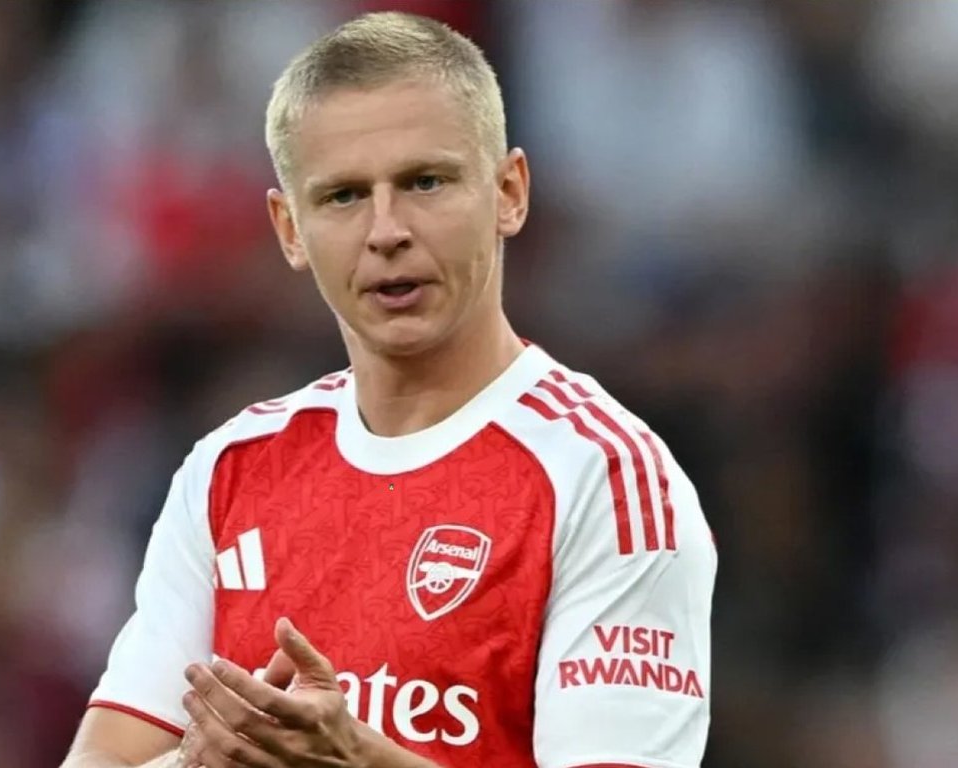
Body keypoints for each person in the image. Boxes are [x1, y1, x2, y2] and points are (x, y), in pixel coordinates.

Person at [62, 11, 715, 768]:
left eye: (424, 182)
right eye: (343, 196)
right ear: (290, 229)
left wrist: (358, 761)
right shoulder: (230, 471)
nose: (386, 231)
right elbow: (106, 757)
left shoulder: (604, 478)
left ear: (509, 192)